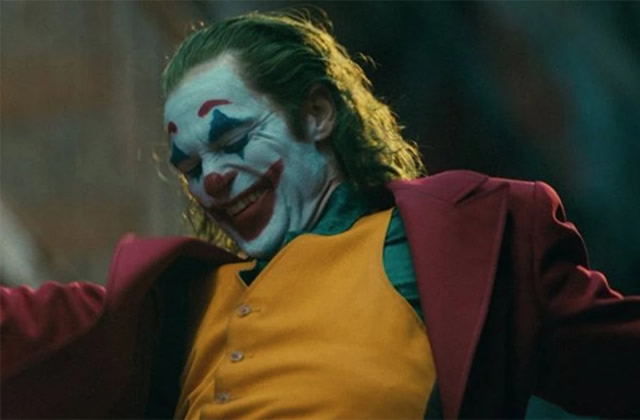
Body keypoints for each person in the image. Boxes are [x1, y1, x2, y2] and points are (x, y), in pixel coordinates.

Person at [1, 11, 639, 419]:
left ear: (317, 114)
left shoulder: (445, 244)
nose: (212, 179)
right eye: (190, 166)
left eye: (233, 140)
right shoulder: (183, 302)